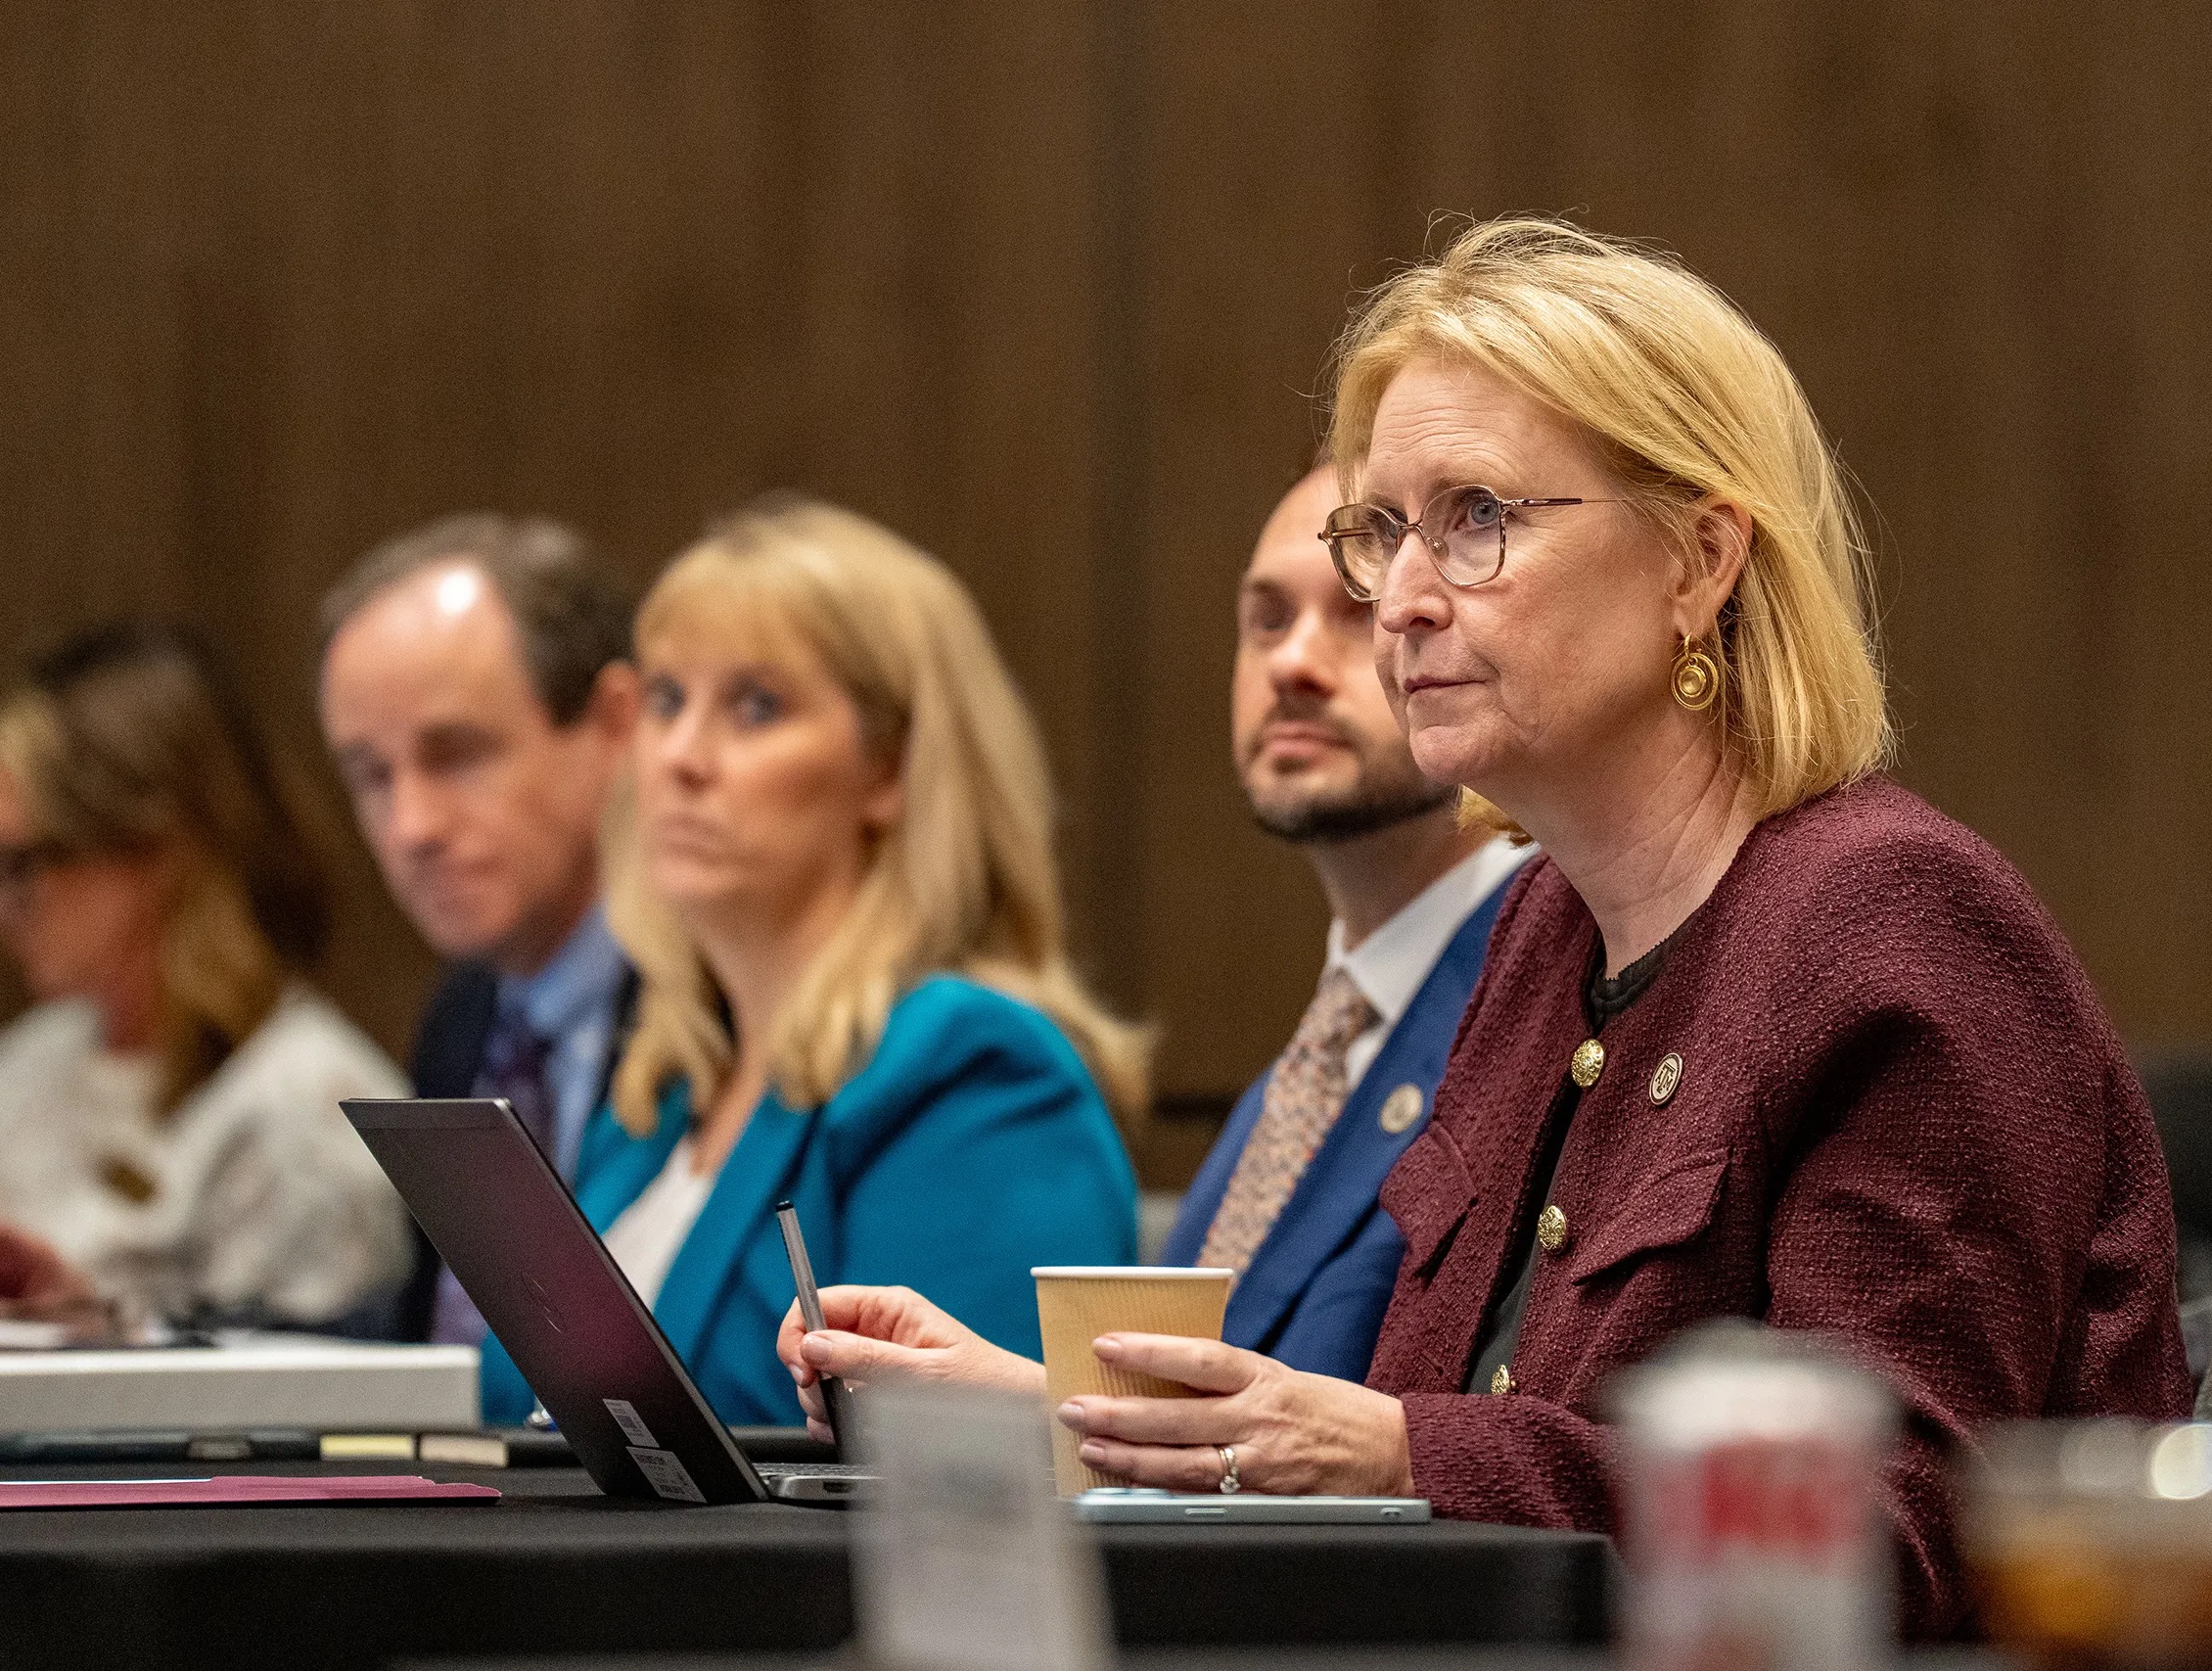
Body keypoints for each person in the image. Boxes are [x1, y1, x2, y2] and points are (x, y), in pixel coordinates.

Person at [778, 220, 2190, 1636]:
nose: (1397, 599)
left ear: (1700, 557)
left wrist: (1393, 1451)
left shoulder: (1893, 920)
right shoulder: (1537, 930)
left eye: (1475, 518)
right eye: (1381, 530)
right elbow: (1414, 1442)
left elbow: (1895, 1528)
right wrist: (1057, 1415)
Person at [478, 493, 1145, 1424]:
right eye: (667, 700)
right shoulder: (661, 1094)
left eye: (755, 706)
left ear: (888, 770)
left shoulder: (973, 1071)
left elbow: (962, 1494)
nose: (680, 756)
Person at [0, 622, 408, 1326]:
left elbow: (286, 1414)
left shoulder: (309, 1109)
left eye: (22, 866)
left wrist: (97, 1331)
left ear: (157, 844)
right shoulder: (14, 1075)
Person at [1162, 463, 1531, 1379]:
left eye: (1356, 607)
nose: (1291, 663)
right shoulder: (1309, 1062)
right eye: (1268, 619)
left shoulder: (1546, 991)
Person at [318, 515, 639, 1342]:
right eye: (371, 776)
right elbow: (433, 1343)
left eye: (456, 755)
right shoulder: (467, 1015)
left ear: (614, 726)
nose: (411, 826)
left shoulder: (729, 1014)